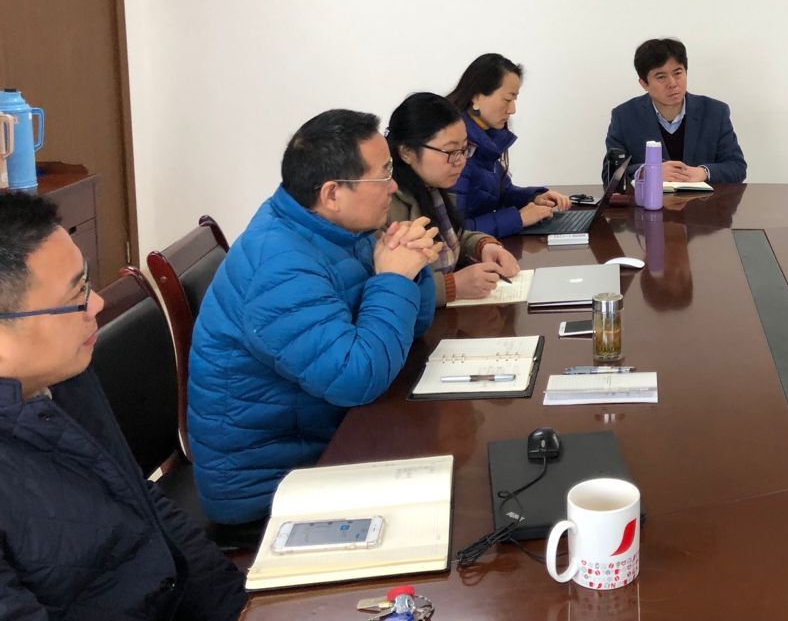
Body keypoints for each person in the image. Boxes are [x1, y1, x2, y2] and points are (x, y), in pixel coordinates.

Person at [0, 192, 247, 620]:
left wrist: (243, 610)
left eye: (87, 282)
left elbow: (145, 504)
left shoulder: (66, 377)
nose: (96, 303)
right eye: (76, 294)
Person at [188, 109, 442, 525]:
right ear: (332, 194)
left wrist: (411, 266)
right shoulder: (279, 266)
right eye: (383, 175)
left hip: (329, 435)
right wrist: (394, 278)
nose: (393, 186)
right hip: (270, 484)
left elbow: (412, 327)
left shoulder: (338, 229)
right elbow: (355, 378)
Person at [386, 91, 521, 302]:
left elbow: (448, 237)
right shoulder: (385, 205)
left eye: (464, 149)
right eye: (450, 152)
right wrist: (451, 286)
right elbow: (383, 290)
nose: (461, 161)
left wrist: (483, 245)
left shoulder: (432, 187)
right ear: (407, 152)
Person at [446, 53, 570, 237]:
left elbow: (500, 192)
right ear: (477, 97)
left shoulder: (485, 139)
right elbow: (453, 231)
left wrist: (535, 197)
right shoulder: (456, 149)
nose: (512, 109)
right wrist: (518, 218)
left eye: (514, 99)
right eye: (507, 99)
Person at [605, 37, 747, 184]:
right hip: (648, 199)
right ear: (644, 84)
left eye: (678, 73)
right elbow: (609, 174)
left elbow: (737, 167)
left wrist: (704, 172)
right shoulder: (624, 117)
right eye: (661, 77)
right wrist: (649, 172)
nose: (672, 84)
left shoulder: (715, 112)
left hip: (703, 199)